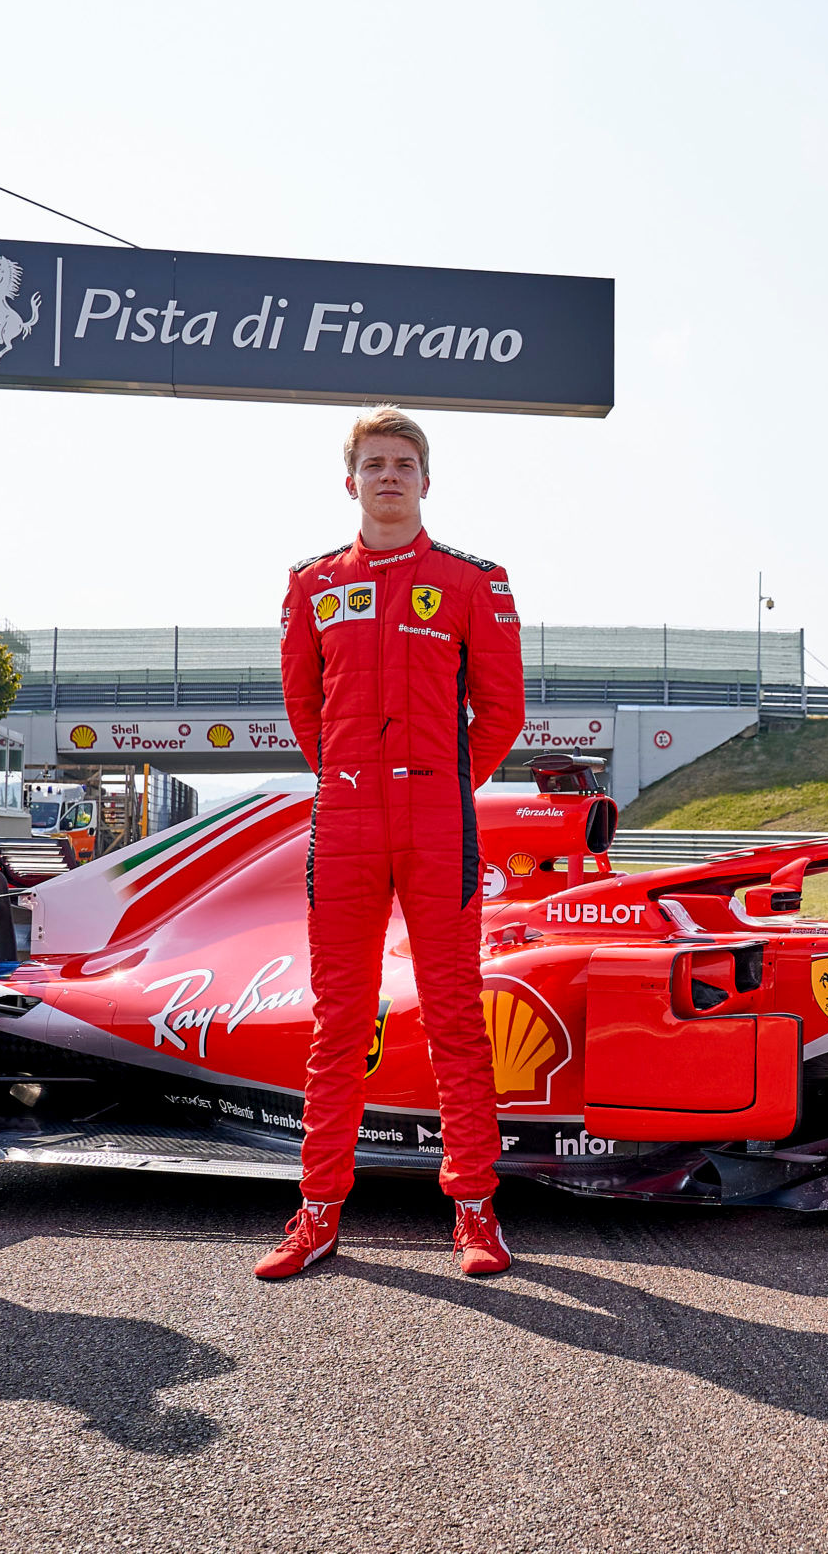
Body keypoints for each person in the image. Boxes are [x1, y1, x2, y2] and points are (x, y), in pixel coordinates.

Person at [262, 407, 525, 1280]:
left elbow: (503, 711)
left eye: (403, 462)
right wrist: (352, 774)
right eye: (373, 462)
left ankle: (476, 1211)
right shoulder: (310, 584)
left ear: (425, 478)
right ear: (351, 481)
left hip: (437, 819)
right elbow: (305, 707)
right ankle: (318, 1209)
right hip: (343, 820)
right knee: (338, 1020)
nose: (388, 475)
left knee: (456, 1015)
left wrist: (439, 780)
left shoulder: (472, 581)